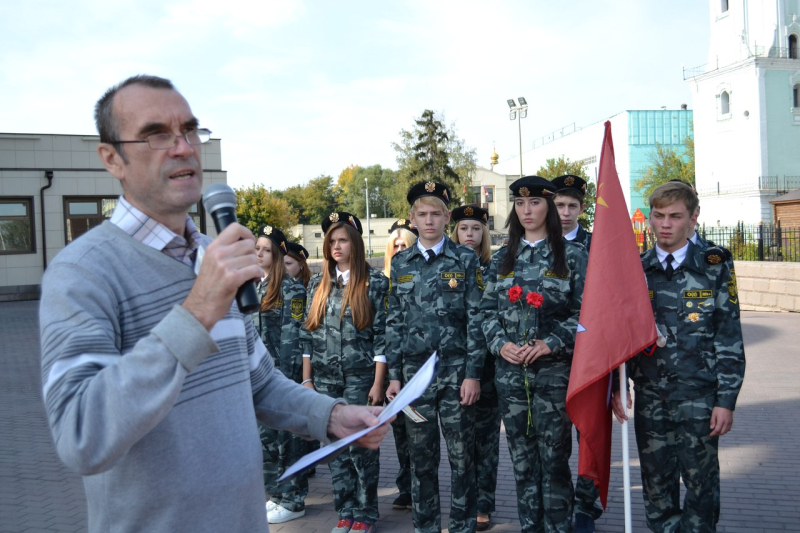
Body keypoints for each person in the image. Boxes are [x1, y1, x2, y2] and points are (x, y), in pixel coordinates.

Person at [38, 74, 389, 533]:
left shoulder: (213, 255)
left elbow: (258, 384)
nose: (182, 147)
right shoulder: (82, 272)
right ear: (112, 158)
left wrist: (331, 415)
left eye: (189, 131)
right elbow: (81, 436)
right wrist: (198, 308)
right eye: (156, 134)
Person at [611, 182, 745, 533]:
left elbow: (729, 337)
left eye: (675, 216)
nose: (665, 224)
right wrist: (618, 384)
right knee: (656, 485)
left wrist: (726, 400)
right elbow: (620, 335)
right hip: (652, 398)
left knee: (702, 486)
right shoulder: (638, 271)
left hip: (699, 399)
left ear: (693, 218)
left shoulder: (714, 265)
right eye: (658, 216)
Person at [480, 176, 587, 533]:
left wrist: (551, 342)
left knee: (554, 462)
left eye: (536, 203)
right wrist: (500, 344)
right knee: (523, 464)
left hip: (554, 377)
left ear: (549, 207)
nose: (527, 211)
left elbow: (586, 313)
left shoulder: (571, 256)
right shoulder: (502, 259)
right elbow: (485, 313)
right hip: (511, 379)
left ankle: (558, 527)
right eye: (520, 204)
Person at [385, 181, 484, 533]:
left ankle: (462, 527)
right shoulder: (400, 263)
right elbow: (393, 322)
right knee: (421, 460)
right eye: (422, 214)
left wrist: (473, 374)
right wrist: (394, 377)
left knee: (462, 459)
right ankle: (424, 527)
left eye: (436, 214)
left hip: (457, 374)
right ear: (412, 219)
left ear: (447, 218)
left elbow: (476, 320)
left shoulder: (465, 259)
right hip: (415, 377)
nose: (429, 221)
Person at [301, 211, 389, 533]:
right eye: (331, 241)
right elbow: (307, 336)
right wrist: (307, 380)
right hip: (324, 378)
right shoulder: (317, 284)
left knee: (361, 447)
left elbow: (382, 337)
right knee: (335, 446)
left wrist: (378, 384)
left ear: (355, 243)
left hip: (359, 377)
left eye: (342, 240)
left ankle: (365, 514)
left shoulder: (375, 282)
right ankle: (345, 509)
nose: (336, 246)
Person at [551, 174, 601, 532]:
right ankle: (560, 505)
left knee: (589, 435)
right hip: (552, 361)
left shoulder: (598, 246)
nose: (565, 212)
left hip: (590, 358)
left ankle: (585, 506)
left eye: (572, 206)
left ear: (582, 209)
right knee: (555, 440)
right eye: (559, 205)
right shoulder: (537, 243)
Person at [253, 225, 309, 524]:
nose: (258, 253)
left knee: (287, 441)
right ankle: (275, 495)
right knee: (266, 440)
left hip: (280, 376)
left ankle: (294, 498)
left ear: (276, 255)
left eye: (264, 249)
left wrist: (286, 378)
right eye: (256, 248)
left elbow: (295, 336)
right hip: (256, 377)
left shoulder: (291, 288)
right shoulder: (250, 286)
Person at [450, 204, 498, 532]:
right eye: (464, 228)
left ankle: (484, 503)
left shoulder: (495, 269)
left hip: (489, 370)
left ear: (484, 235)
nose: (469, 234)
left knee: (486, 441)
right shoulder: (448, 268)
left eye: (476, 229)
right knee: (460, 444)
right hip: (455, 368)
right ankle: (464, 502)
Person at [382, 217, 418, 511]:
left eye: (403, 243)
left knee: (417, 430)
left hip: (413, 364)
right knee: (400, 432)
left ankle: (417, 486)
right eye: (394, 244)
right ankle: (405, 485)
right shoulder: (381, 281)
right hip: (386, 368)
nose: (398, 248)